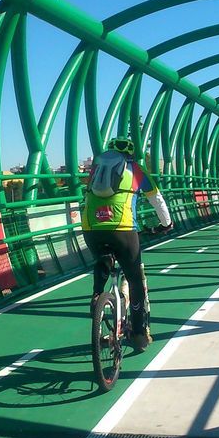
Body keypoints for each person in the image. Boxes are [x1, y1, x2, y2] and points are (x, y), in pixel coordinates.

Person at [81, 137, 173, 351]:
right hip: (123, 229)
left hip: (91, 229)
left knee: (104, 258)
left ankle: (97, 296)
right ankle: (139, 335)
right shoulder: (136, 171)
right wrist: (166, 224)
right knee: (135, 281)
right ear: (131, 154)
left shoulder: (95, 170)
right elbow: (157, 200)